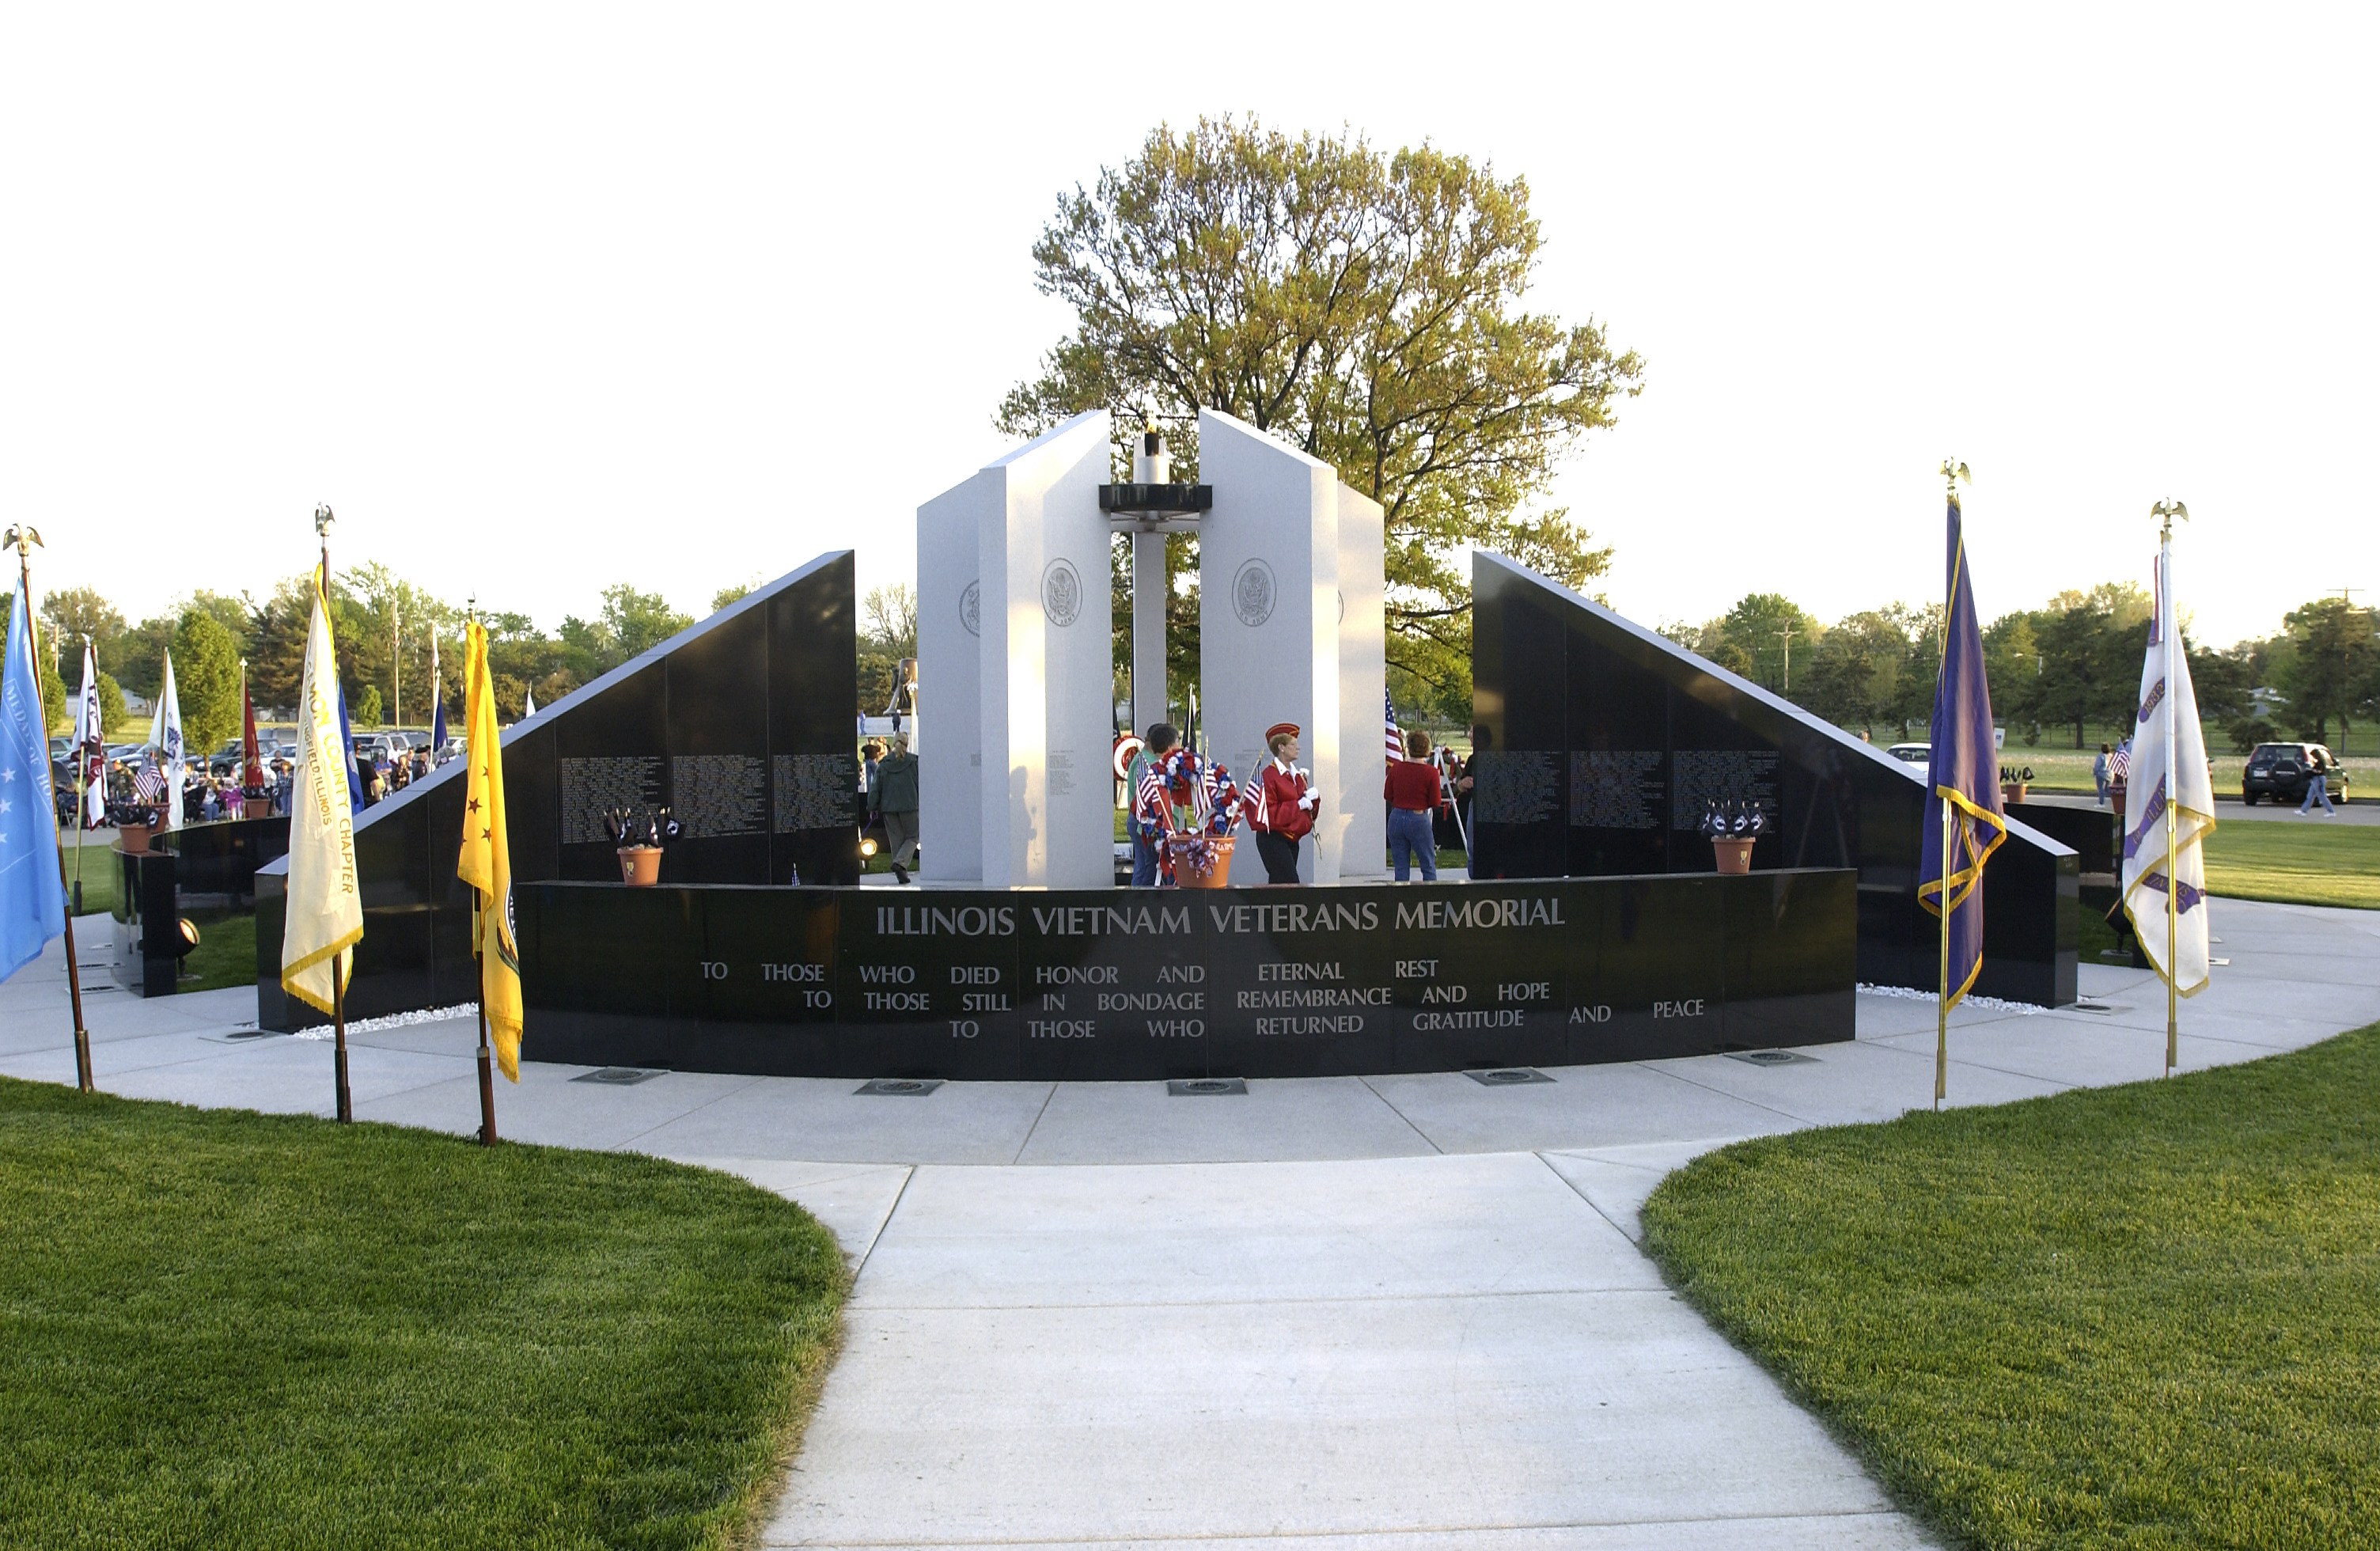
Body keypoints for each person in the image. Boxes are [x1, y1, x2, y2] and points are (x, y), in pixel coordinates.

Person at [1245, 722, 1317, 885]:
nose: (1297, 748)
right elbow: (1269, 814)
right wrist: (1298, 805)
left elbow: (1307, 814)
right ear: (1281, 747)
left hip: (1292, 839)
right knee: (1289, 883)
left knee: (1281, 886)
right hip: (1273, 839)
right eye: (1293, 744)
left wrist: (1313, 801)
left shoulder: (1296, 776)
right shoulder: (1269, 776)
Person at [1385, 729, 1442, 882]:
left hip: (1396, 817)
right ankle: (1430, 901)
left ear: (1408, 748)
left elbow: (1387, 795)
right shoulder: (1430, 772)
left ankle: (1400, 902)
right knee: (1428, 865)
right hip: (1418, 817)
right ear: (1426, 749)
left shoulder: (1396, 768)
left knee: (1401, 868)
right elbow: (1435, 801)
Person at [1130, 723, 1180, 887]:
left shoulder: (1164, 766)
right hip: (1153, 827)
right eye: (1177, 741)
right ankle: (1139, 902)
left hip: (1155, 826)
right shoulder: (1151, 767)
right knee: (1149, 869)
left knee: (1148, 868)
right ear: (1169, 746)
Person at [873, 735, 919, 882]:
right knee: (912, 837)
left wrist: (872, 806)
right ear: (907, 744)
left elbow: (875, 788)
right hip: (910, 806)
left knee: (896, 842)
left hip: (889, 808)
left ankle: (900, 873)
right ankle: (900, 865)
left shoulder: (884, 763)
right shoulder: (914, 762)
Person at [2297, 748, 2336, 817]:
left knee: (2322, 796)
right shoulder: (2318, 762)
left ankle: (2331, 811)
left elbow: (2319, 771)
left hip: (2319, 780)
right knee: (2310, 796)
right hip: (2315, 780)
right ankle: (2303, 810)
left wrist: (2312, 771)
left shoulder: (2321, 763)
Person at [2094, 743, 2112, 807]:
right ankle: (2115, 800)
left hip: (2101, 774)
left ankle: (2101, 803)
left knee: (2101, 789)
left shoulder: (2101, 756)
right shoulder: (2110, 756)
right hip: (2109, 774)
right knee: (2108, 789)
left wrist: (2094, 772)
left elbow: (2097, 766)